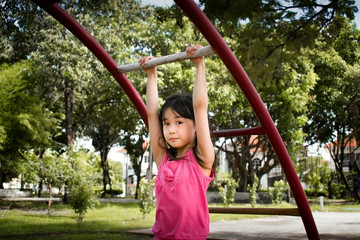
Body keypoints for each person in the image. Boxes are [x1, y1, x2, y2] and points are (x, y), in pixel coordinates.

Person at [139, 44, 215, 240]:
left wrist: (199, 64)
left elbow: (200, 107)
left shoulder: (201, 160)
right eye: (167, 123)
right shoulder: (162, 158)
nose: (171, 129)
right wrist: (151, 75)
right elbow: (152, 113)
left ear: (196, 127)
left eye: (179, 122)